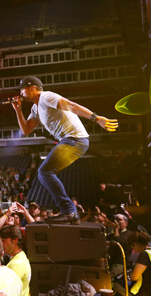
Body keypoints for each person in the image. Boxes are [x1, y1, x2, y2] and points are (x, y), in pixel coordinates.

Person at [10, 76, 118, 223]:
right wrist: (18, 110)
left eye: (22, 89)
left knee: (44, 172)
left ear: (32, 88)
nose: (20, 93)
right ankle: (70, 213)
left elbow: (72, 106)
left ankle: (69, 211)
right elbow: (26, 130)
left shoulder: (46, 97)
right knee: (44, 173)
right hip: (70, 141)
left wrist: (96, 118)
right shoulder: (36, 108)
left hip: (75, 140)